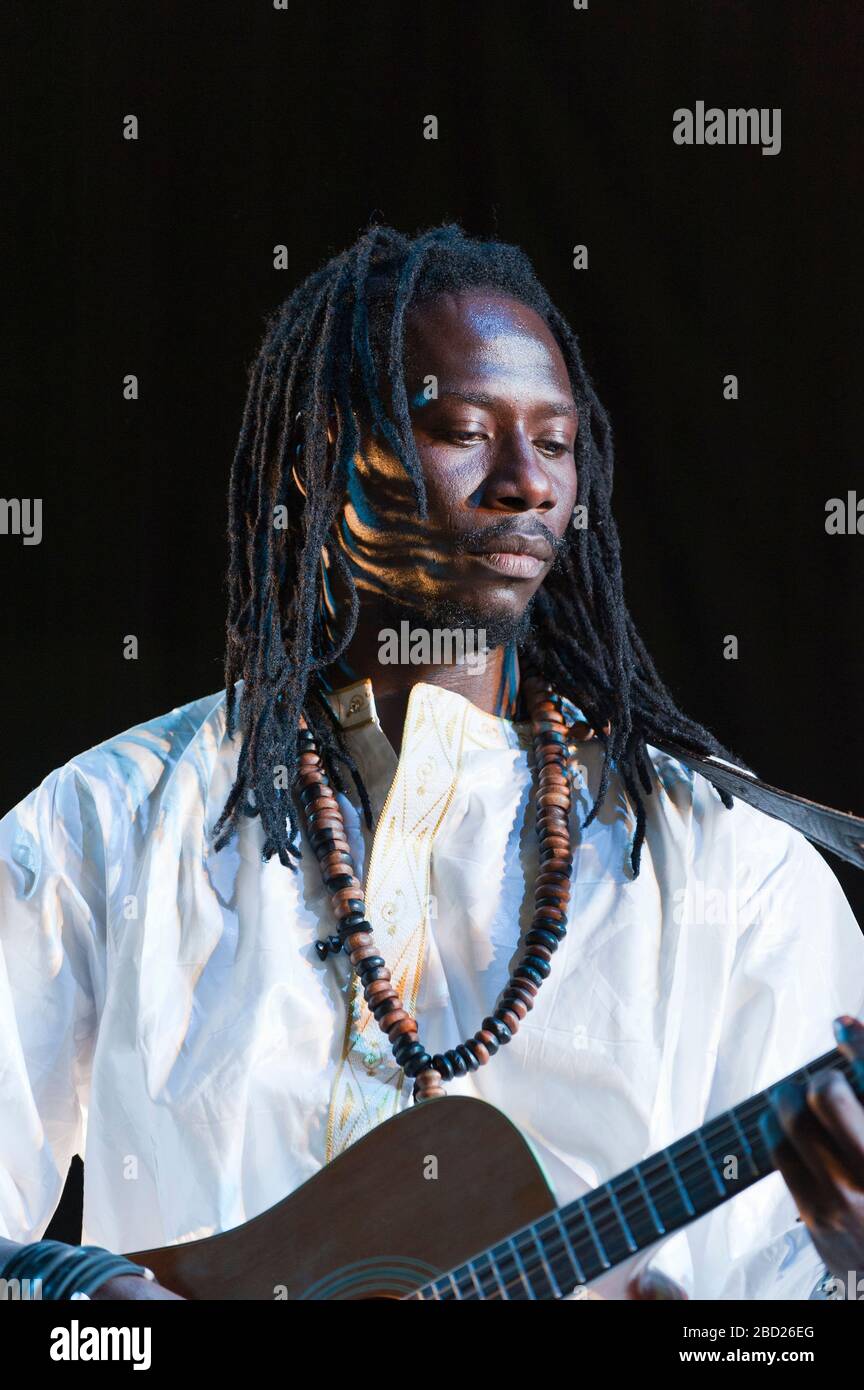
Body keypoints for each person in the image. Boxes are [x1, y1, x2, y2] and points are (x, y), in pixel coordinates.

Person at [1, 224, 863, 1302]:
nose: (523, 484)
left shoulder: (736, 879)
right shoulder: (103, 832)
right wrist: (81, 1307)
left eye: (555, 444)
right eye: (463, 428)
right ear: (317, 459)